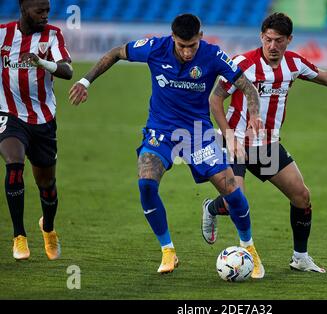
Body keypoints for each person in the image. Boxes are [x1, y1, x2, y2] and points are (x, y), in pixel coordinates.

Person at [69, 14, 266, 277]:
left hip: (198, 133)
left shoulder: (213, 55)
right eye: (182, 45)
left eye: (192, 46)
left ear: (201, 37)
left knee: (231, 189)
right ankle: (168, 251)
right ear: (173, 38)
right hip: (160, 131)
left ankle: (248, 247)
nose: (187, 52)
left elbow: (247, 86)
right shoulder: (155, 48)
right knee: (146, 182)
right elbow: (117, 52)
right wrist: (85, 80)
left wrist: (254, 113)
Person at [202, 12, 327, 273]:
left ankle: (300, 258)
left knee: (301, 196)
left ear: (289, 40)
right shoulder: (242, 63)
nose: (273, 46)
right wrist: (227, 136)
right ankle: (215, 210)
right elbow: (215, 100)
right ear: (262, 36)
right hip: (235, 142)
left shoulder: (293, 64)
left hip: (267, 145)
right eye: (269, 39)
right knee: (237, 202)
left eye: (279, 41)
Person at [0, 0, 73, 260]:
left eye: (47, 11)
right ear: (23, 8)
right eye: (39, 10)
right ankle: (19, 236)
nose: (44, 15)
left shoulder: (53, 35)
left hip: (43, 120)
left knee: (47, 185)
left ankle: (49, 229)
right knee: (14, 164)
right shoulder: (3, 34)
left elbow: (67, 70)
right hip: (9, 114)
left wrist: (42, 63)